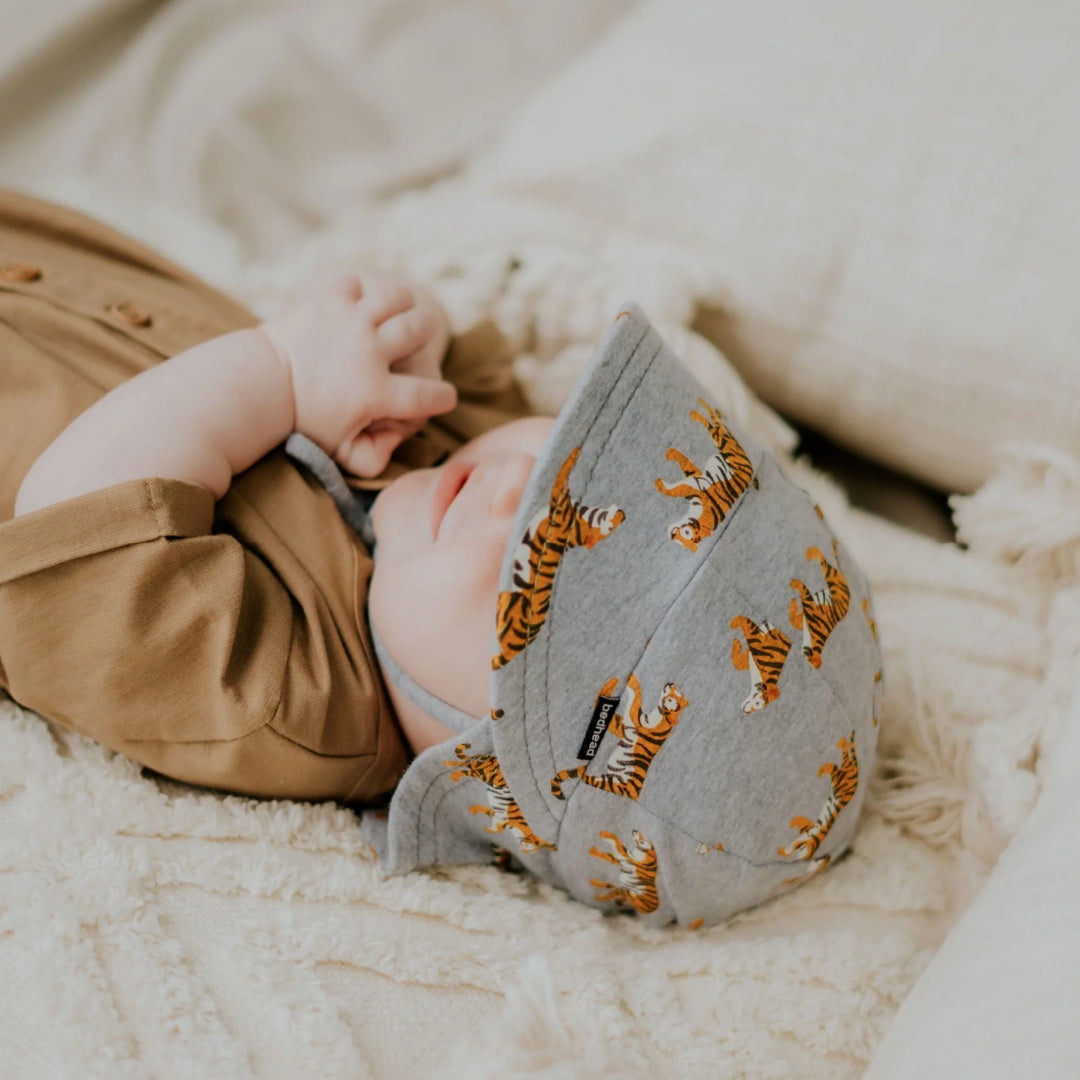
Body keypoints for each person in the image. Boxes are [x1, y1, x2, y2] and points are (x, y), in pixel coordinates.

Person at [0, 189, 885, 927]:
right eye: (576, 466)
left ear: (487, 762)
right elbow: (450, 350)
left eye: (531, 578)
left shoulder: (296, 702)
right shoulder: (458, 478)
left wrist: (283, 369)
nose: (513, 489)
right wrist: (394, 330)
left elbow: (81, 521)